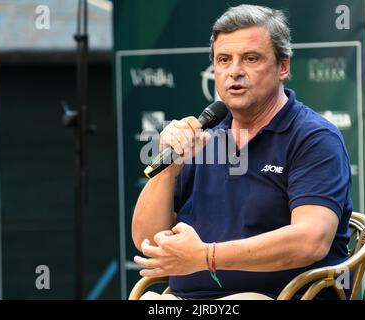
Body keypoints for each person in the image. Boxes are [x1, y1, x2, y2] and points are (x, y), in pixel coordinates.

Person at [132, 4, 352, 300]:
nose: (235, 70)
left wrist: (206, 256)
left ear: (283, 66)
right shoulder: (203, 137)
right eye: (224, 59)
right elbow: (147, 241)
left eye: (251, 58)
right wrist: (169, 169)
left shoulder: (313, 137)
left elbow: (311, 241)